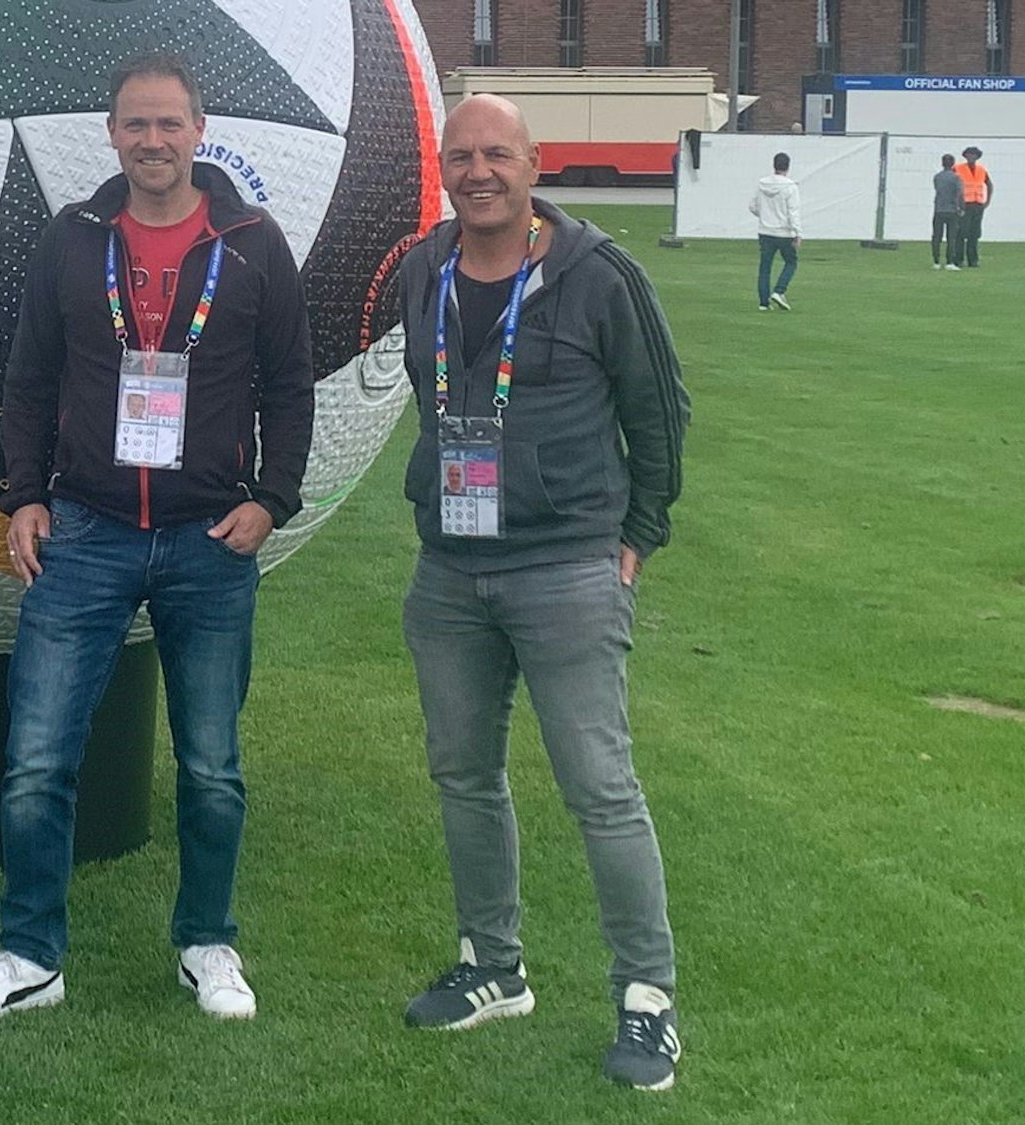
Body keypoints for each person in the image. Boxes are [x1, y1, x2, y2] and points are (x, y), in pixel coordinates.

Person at [0, 51, 314, 1024]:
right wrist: (24, 497)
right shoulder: (73, 237)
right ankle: (30, 956)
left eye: (168, 124)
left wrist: (272, 497)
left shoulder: (252, 240)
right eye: (135, 125)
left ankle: (207, 943)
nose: (152, 141)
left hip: (207, 541)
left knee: (211, 764)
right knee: (35, 759)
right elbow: (26, 380)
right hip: (88, 532)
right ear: (112, 135)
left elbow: (287, 385)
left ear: (198, 132)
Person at [396, 94, 691, 1092]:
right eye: (461, 156)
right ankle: (492, 969)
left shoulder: (597, 274)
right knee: (462, 775)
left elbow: (658, 411)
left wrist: (637, 535)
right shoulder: (423, 268)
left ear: (534, 164)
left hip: (567, 567)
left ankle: (645, 1002)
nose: (476, 171)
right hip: (448, 571)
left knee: (599, 791)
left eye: (496, 155)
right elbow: (429, 397)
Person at [747, 151, 801, 310]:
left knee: (765, 266)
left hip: (765, 231)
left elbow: (752, 206)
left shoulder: (762, 184)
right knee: (791, 262)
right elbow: (793, 211)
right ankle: (779, 290)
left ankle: (763, 303)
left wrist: (764, 215)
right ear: (788, 167)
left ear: (774, 165)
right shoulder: (791, 187)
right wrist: (798, 233)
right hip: (784, 232)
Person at [955, 146, 995, 269]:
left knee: (975, 233)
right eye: (969, 155)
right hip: (964, 204)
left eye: (974, 155)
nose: (971, 157)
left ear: (977, 157)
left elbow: (989, 184)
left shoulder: (982, 170)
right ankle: (959, 259)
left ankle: (973, 260)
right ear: (965, 156)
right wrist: (956, 204)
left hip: (978, 204)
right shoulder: (957, 168)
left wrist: (987, 201)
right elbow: (952, 185)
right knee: (961, 233)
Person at [931, 153, 964, 271]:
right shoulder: (956, 178)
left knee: (937, 236)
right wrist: (961, 207)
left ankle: (936, 261)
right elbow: (959, 194)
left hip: (939, 209)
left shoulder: (937, 177)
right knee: (952, 237)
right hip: (952, 210)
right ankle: (950, 261)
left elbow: (938, 190)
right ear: (953, 164)